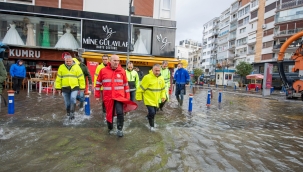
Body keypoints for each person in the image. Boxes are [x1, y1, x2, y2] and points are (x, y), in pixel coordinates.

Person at [95, 55, 137, 137]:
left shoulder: (122, 71)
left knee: (120, 112)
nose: (116, 62)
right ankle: (110, 129)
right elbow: (98, 83)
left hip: (119, 96)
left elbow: (126, 85)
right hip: (108, 97)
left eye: (118, 61)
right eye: (114, 60)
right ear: (110, 61)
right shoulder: (103, 71)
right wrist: (97, 95)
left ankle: (119, 129)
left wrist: (127, 97)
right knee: (109, 114)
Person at [136, 64, 166, 131]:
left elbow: (163, 89)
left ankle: (148, 117)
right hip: (148, 99)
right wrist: (139, 97)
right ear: (152, 70)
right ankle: (152, 127)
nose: (157, 72)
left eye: (158, 70)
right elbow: (140, 89)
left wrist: (163, 96)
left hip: (156, 100)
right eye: (156, 70)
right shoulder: (147, 77)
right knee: (152, 112)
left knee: (154, 112)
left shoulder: (161, 78)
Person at [55, 54, 85, 120]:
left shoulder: (77, 67)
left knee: (73, 98)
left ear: (72, 61)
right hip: (65, 88)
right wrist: (58, 88)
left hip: (74, 87)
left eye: (69, 61)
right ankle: (68, 113)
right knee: (67, 103)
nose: (68, 62)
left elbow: (81, 78)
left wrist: (82, 88)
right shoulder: (61, 67)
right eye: (67, 61)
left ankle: (72, 113)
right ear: (64, 61)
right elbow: (58, 78)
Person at [94, 54, 109, 120]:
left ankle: (110, 112)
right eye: (104, 59)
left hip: (110, 86)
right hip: (103, 87)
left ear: (108, 59)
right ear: (102, 60)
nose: (105, 60)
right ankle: (104, 112)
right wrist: (96, 86)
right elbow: (96, 77)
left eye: (106, 59)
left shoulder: (111, 66)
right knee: (104, 100)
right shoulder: (99, 67)